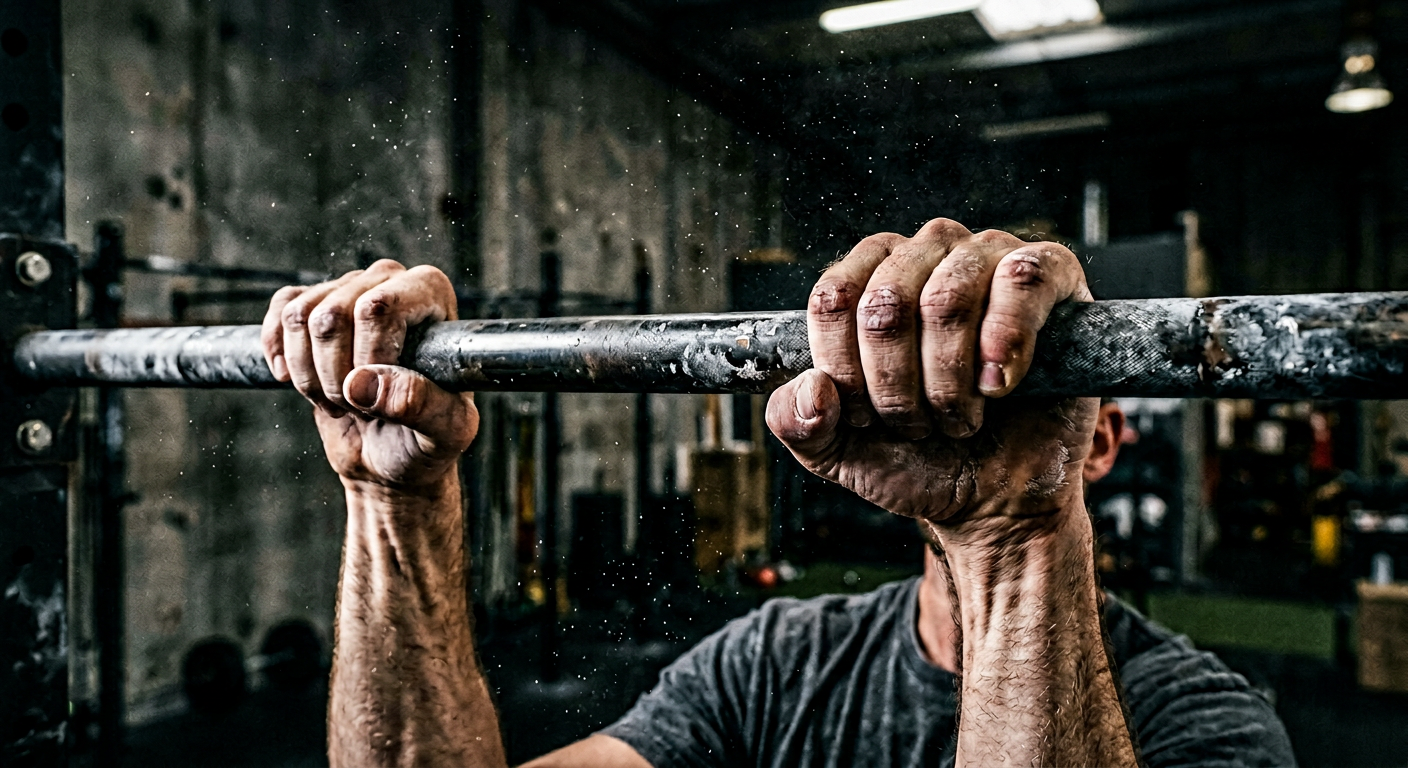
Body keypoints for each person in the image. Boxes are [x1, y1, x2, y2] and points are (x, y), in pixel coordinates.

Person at [261, 219, 1295, 767]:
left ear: (1097, 443)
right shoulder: (773, 668)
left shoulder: (1205, 724)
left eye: (1003, 389)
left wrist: (1015, 530)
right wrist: (388, 503)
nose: (963, 406)